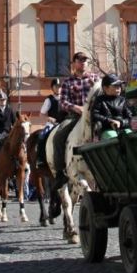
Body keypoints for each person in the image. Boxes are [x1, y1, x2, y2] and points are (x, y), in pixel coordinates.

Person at [52, 52, 100, 184]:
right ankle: (60, 171)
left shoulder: (95, 79)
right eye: (80, 60)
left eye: (85, 60)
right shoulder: (68, 82)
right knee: (58, 136)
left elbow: (102, 95)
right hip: (75, 116)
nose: (83, 62)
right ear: (74, 64)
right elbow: (63, 102)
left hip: (94, 115)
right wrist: (75, 108)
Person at [91, 73, 132, 140]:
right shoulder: (99, 100)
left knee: (131, 136)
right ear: (105, 88)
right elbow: (95, 115)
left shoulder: (122, 100)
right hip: (107, 130)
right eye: (115, 85)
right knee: (113, 139)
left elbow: (130, 117)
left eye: (119, 85)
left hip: (123, 128)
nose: (119, 88)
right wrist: (110, 121)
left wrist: (121, 123)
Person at [36, 78, 67, 166]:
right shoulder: (49, 100)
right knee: (42, 135)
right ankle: (40, 158)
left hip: (64, 123)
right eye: (56, 87)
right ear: (52, 88)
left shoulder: (65, 99)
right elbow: (41, 114)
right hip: (52, 124)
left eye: (60, 87)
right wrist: (49, 118)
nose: (58, 88)